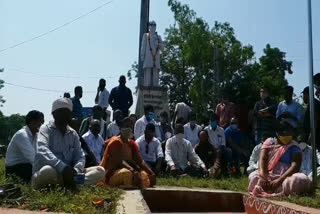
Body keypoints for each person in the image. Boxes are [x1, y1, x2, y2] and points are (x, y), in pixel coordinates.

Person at [32, 98, 105, 190]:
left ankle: (68, 185)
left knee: (100, 171)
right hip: (53, 172)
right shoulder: (45, 129)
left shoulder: (73, 133)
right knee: (48, 171)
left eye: (68, 112)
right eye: (62, 112)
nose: (66, 115)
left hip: (70, 174)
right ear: (54, 114)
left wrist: (76, 170)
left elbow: (80, 156)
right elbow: (42, 149)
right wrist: (62, 167)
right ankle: (74, 185)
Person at [248, 121, 312, 197]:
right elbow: (263, 160)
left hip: (285, 177)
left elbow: (295, 167)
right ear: (278, 133)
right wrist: (263, 177)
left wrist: (279, 181)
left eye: (290, 134)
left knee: (298, 180)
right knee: (254, 176)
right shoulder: (269, 142)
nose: (288, 136)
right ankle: (269, 188)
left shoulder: (294, 147)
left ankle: (281, 189)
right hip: (268, 175)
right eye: (285, 134)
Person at [100, 117, 156, 189]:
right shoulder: (115, 142)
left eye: (130, 127)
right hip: (111, 173)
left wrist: (151, 173)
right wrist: (133, 171)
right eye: (126, 126)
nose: (129, 128)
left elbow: (140, 161)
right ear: (120, 128)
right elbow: (120, 161)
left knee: (144, 175)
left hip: (128, 169)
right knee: (127, 174)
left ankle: (133, 186)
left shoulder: (132, 143)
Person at [5, 110, 44, 182]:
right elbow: (33, 157)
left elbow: (39, 153)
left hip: (26, 166)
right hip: (15, 169)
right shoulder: (22, 134)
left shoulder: (35, 135)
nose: (42, 126)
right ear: (33, 122)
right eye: (40, 123)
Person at [204, 112, 232, 176]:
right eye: (211, 120)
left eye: (213, 120)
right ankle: (216, 167)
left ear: (217, 121)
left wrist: (219, 148)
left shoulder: (221, 130)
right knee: (215, 152)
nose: (212, 122)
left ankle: (226, 168)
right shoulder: (206, 129)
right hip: (210, 148)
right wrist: (213, 148)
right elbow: (206, 142)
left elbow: (223, 143)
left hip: (220, 148)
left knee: (229, 151)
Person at [302, 86, 320, 151]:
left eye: (303, 95)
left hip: (315, 137)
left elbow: (315, 119)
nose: (303, 97)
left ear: (307, 94)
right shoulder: (310, 104)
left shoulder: (314, 103)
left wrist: (311, 135)